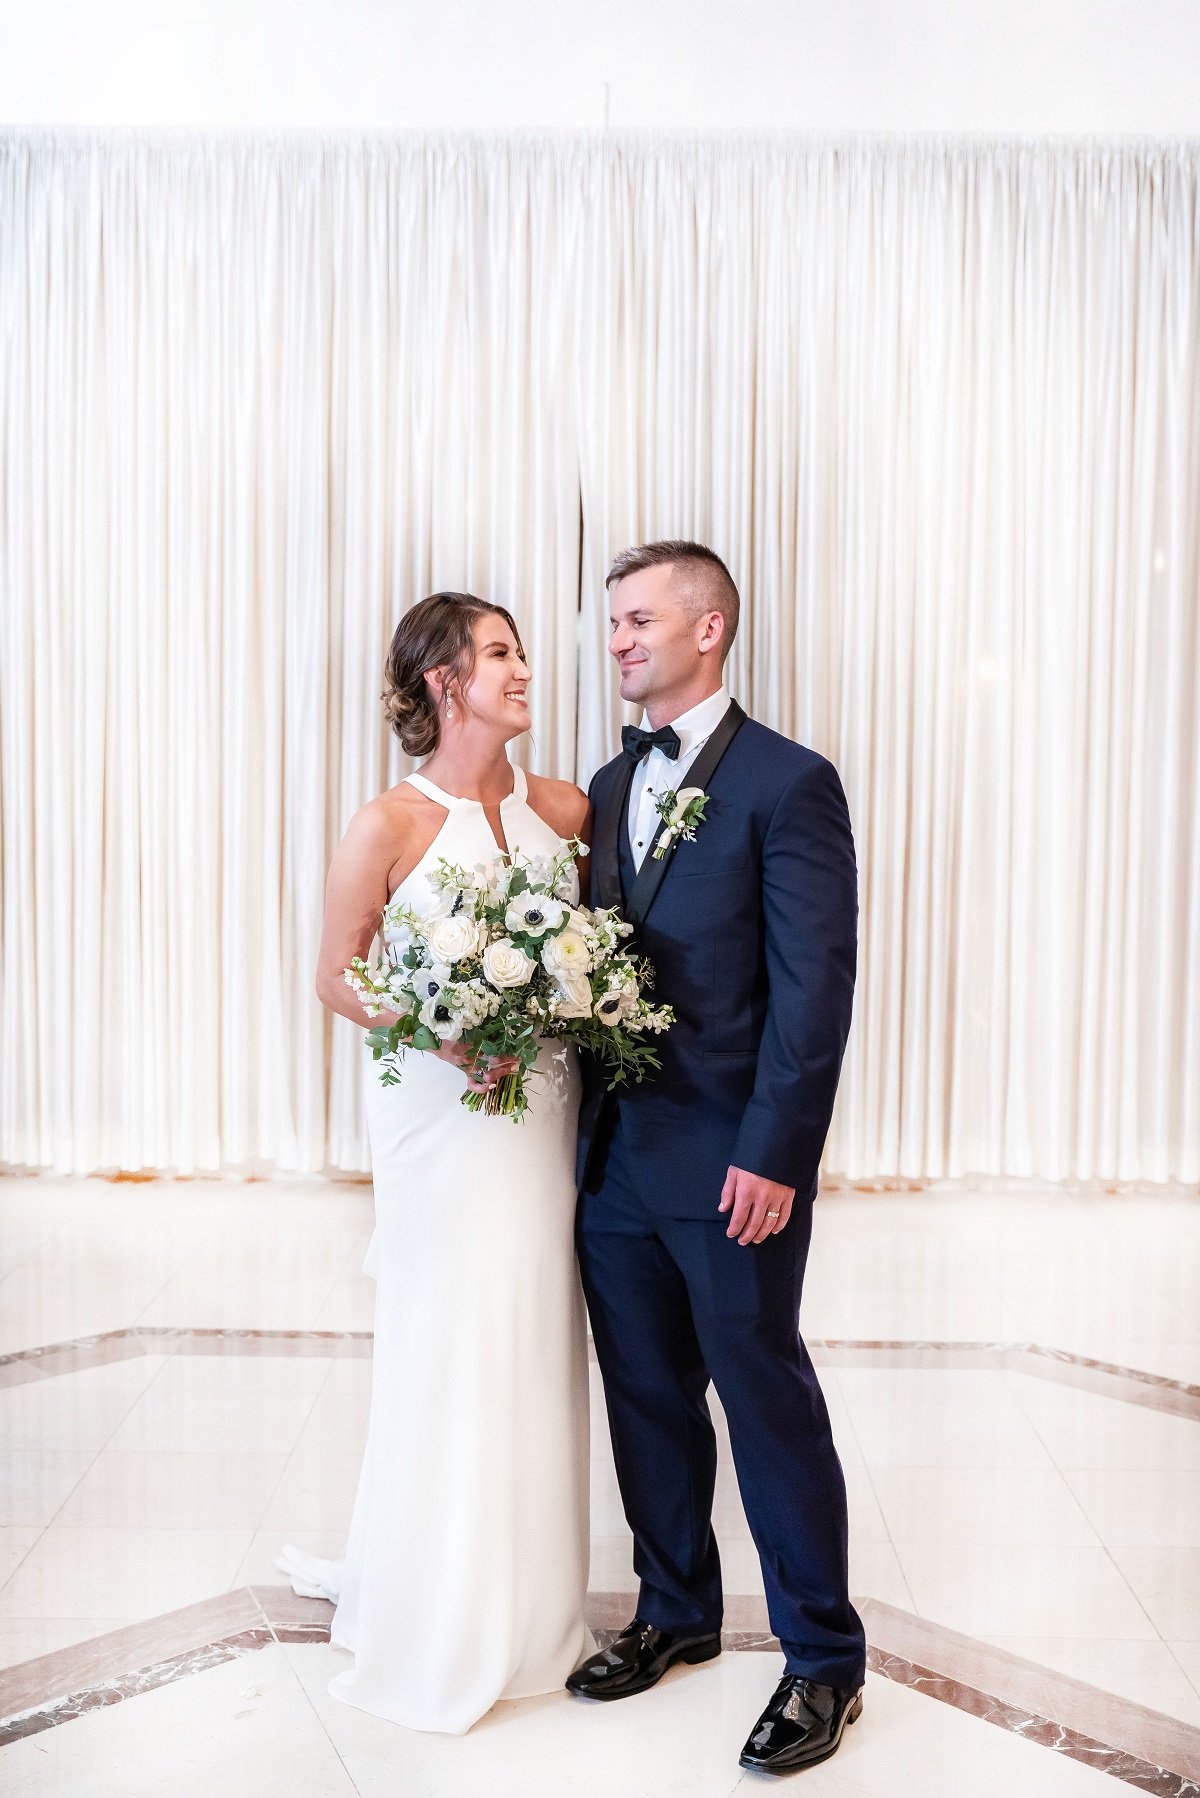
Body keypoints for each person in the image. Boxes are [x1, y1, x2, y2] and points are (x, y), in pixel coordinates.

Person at [567, 540, 866, 1777]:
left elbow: (815, 989)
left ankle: (822, 1661)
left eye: (641, 620)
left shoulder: (792, 783)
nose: (621, 641)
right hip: (617, 1160)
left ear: (711, 627)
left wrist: (777, 1150)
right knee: (643, 1396)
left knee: (764, 1400)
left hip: (735, 1163)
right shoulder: (602, 779)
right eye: (614, 624)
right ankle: (676, 1610)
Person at [290, 591, 592, 1736]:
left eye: (520, 652)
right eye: (501, 653)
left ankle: (530, 1611)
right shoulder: (390, 822)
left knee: (526, 1325)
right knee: (448, 1328)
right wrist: (438, 1030)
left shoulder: (562, 808)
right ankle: (440, 1607)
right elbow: (335, 972)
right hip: (438, 1111)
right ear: (441, 680)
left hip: (541, 1116)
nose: (524, 670)